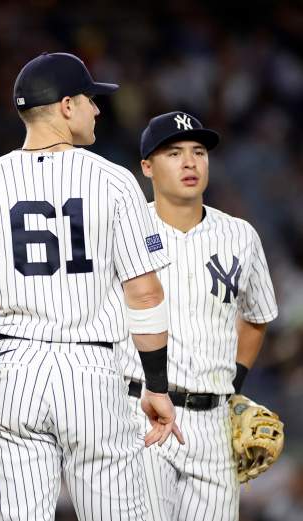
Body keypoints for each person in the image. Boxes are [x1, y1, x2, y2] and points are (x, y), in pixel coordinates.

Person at [0, 52, 185, 521]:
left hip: (13, 371)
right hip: (91, 369)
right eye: (91, 100)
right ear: (66, 106)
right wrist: (156, 385)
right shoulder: (114, 181)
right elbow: (146, 294)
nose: (97, 109)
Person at [119, 111, 278, 521]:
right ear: (147, 167)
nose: (190, 162)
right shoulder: (123, 230)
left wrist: (234, 387)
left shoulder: (240, 235)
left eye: (199, 152)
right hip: (139, 414)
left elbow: (257, 316)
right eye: (175, 153)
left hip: (212, 424)